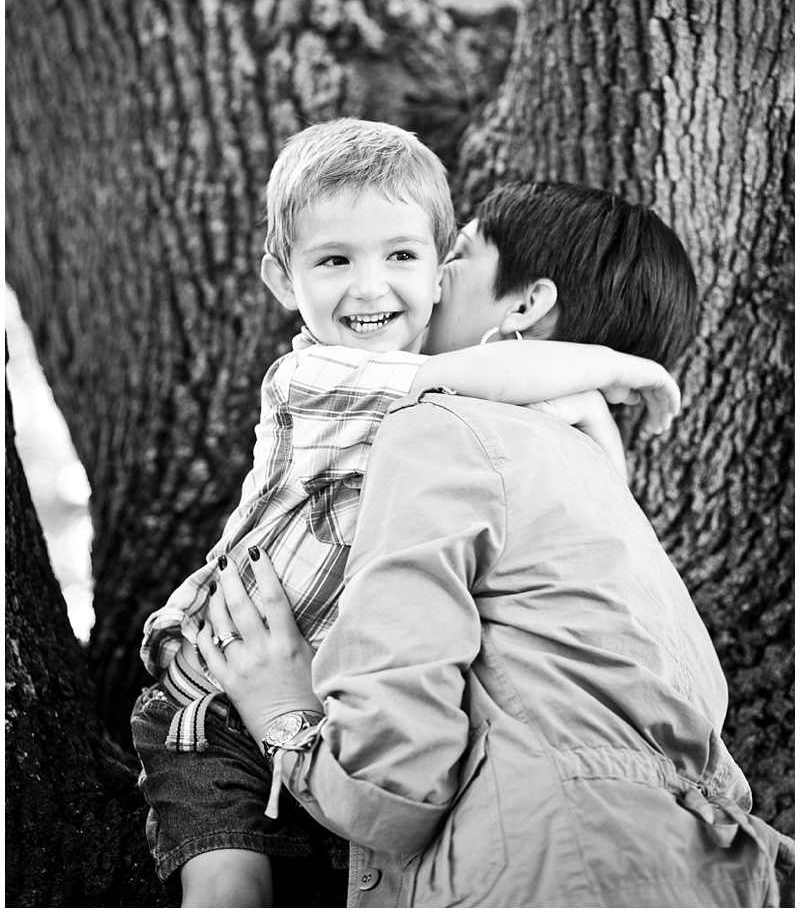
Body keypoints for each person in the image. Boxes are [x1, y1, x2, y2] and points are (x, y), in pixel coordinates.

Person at [131, 119, 690, 908]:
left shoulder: (465, 435)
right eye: (334, 260)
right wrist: (602, 385)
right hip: (213, 697)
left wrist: (592, 399)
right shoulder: (328, 377)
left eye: (426, 255)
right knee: (228, 885)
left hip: (323, 716)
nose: (375, 287)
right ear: (284, 278)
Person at [199, 362, 795, 907]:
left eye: (458, 259)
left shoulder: (442, 425)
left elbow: (388, 787)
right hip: (723, 866)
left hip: (560, 862)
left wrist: (286, 717)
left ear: (524, 310)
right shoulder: (610, 510)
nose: (435, 280)